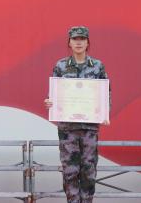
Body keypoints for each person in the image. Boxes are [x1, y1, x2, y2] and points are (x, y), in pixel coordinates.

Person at [44, 26, 109, 203]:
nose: (78, 42)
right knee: (70, 172)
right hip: (68, 129)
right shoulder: (61, 66)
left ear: (88, 43)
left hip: (89, 128)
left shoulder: (97, 66)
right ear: (69, 43)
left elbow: (105, 93)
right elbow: (54, 94)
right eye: (75, 39)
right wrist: (49, 102)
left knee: (89, 171)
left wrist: (104, 112)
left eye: (82, 39)